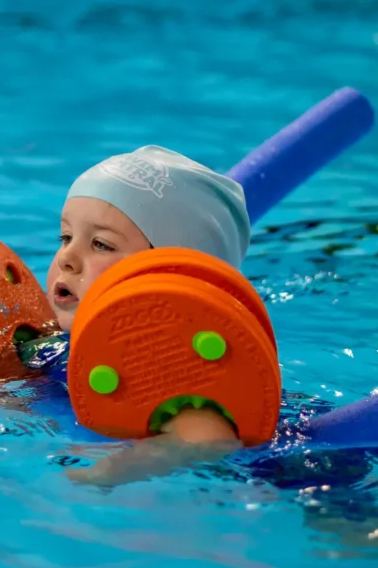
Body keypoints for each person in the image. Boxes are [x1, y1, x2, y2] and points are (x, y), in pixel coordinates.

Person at [44, 144, 253, 484]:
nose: (67, 257)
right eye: (65, 236)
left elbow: (210, 436)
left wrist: (111, 472)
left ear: (169, 278)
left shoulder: (171, 364)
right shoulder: (54, 344)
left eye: (101, 244)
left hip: (274, 474)